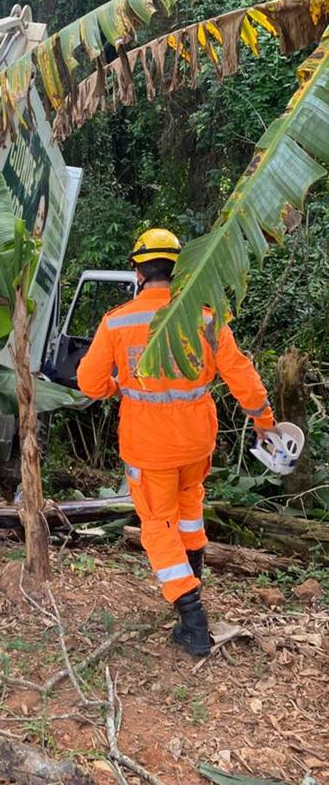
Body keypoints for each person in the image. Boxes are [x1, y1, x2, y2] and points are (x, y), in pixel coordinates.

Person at [76, 228, 275, 657]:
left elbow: (89, 383)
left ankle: (192, 617)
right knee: (189, 513)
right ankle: (195, 583)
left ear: (138, 271)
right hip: (196, 443)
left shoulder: (117, 321)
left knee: (158, 525)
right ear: (179, 269)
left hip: (150, 448)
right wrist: (264, 420)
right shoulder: (205, 317)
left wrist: (117, 388)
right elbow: (241, 374)